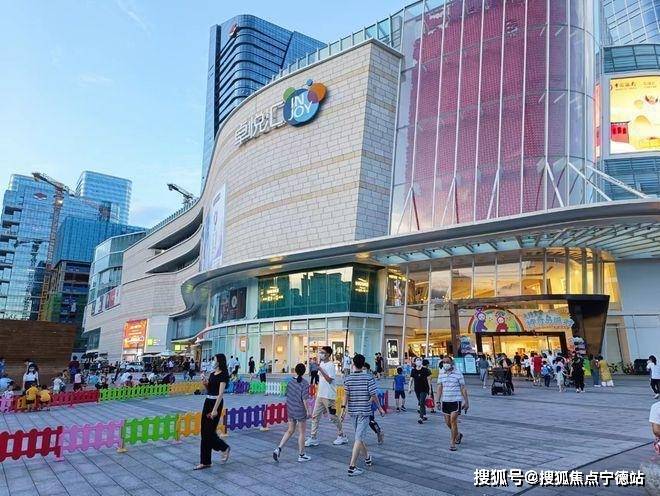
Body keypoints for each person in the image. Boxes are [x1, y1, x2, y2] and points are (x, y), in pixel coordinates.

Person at [340, 353, 384, 477]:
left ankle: (367, 457)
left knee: (359, 437)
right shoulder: (368, 378)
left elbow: (346, 396)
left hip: (353, 412)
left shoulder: (348, 378)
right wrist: (380, 408)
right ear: (363, 364)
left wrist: (343, 410)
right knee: (359, 438)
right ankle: (352, 467)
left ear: (353, 364)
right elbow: (373, 395)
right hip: (364, 412)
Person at [193, 354, 231, 470]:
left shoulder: (223, 375)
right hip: (207, 402)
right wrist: (205, 382)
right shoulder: (213, 374)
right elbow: (209, 389)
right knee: (204, 432)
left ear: (219, 361)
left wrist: (215, 410)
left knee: (209, 432)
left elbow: (220, 393)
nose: (212, 362)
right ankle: (206, 462)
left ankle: (223, 447)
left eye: (214, 360)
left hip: (216, 404)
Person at [305, 346, 347, 447]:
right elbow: (321, 380)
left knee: (333, 417)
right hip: (320, 395)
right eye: (320, 352)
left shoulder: (331, 365)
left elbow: (329, 380)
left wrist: (320, 369)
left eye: (322, 352)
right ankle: (313, 437)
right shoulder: (322, 363)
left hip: (329, 396)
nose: (321, 354)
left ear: (328, 354)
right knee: (315, 416)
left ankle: (342, 435)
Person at [273, 363, 311, 463]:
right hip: (300, 410)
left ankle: (278, 448)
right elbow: (305, 399)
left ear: (295, 371)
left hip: (290, 409)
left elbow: (287, 394)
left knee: (290, 430)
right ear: (304, 372)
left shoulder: (290, 382)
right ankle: (301, 455)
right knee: (302, 433)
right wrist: (308, 411)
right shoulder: (305, 383)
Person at [436, 357, 469, 451]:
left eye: (447, 362)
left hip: (456, 400)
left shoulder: (458, 373)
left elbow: (463, 388)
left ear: (452, 363)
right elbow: (439, 387)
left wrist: (466, 401)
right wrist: (437, 401)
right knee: (448, 423)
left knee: (453, 421)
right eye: (444, 362)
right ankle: (458, 435)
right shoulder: (441, 373)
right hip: (445, 401)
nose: (445, 364)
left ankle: (452, 443)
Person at [409, 358, 432, 424]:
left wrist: (430, 389)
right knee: (421, 402)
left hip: (424, 389)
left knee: (421, 402)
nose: (418, 361)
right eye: (417, 360)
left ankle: (421, 418)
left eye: (419, 360)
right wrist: (409, 388)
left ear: (421, 362)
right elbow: (411, 380)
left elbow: (429, 380)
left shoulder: (425, 370)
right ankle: (424, 415)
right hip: (417, 389)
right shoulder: (413, 370)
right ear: (415, 362)